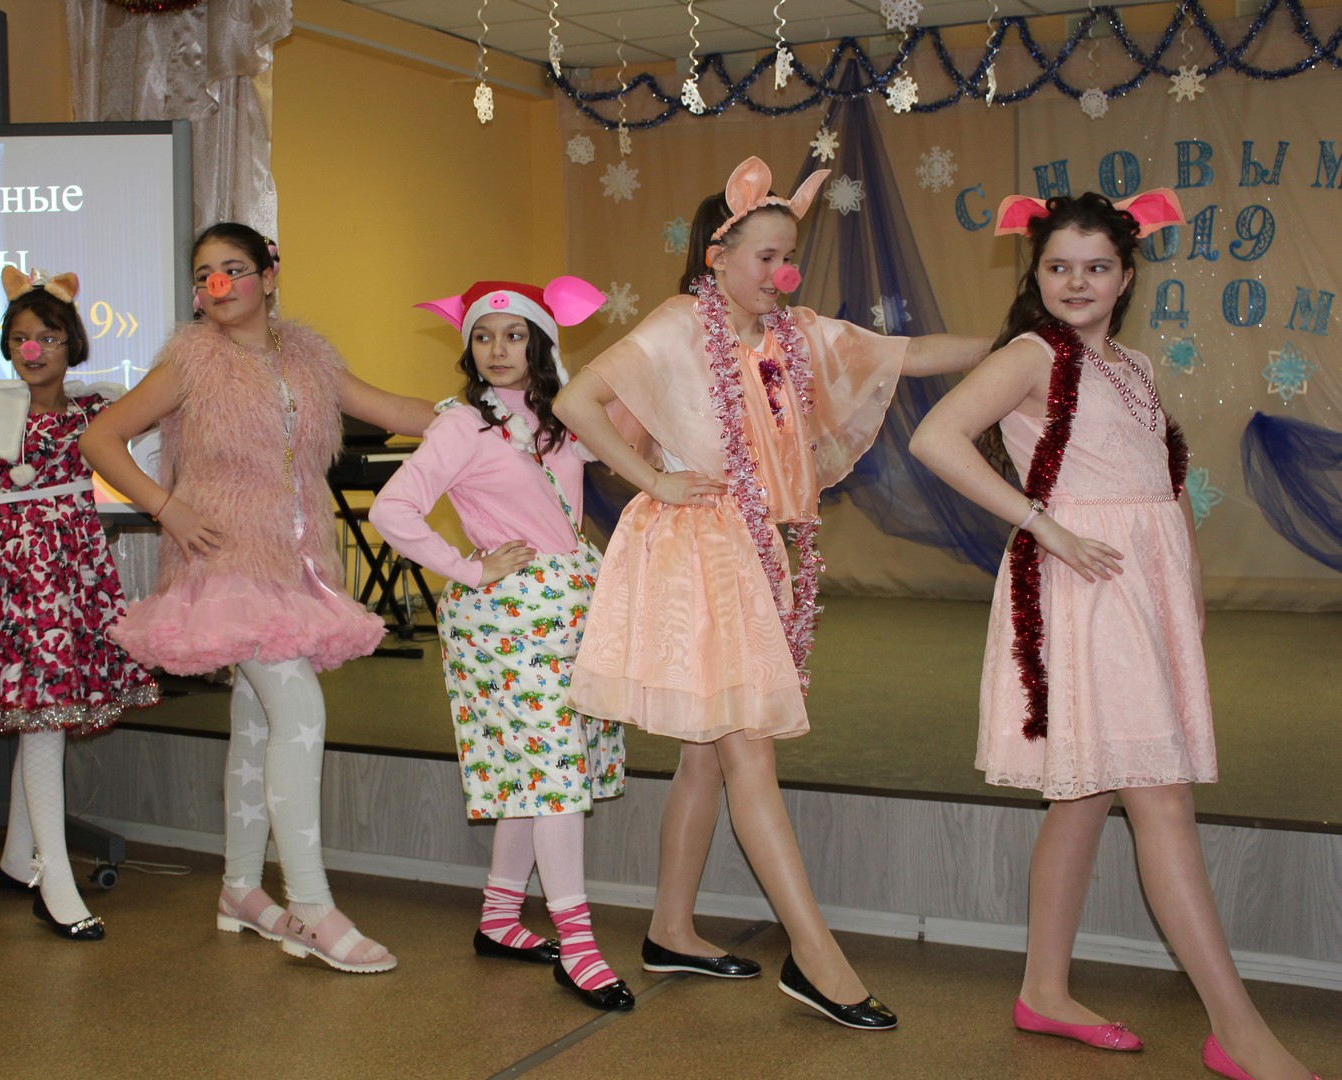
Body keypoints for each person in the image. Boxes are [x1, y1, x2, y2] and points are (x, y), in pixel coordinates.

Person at [552, 156, 988, 1029]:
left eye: (790, 258)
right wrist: (654, 477)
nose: (783, 274)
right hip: (700, 548)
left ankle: (669, 929)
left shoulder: (795, 335)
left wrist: (1019, 342)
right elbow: (577, 401)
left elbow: (906, 354)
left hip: (754, 551)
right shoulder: (681, 325)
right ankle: (816, 959)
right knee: (748, 747)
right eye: (766, 258)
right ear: (718, 257)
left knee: (707, 751)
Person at [909, 191, 1319, 1080]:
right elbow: (936, 438)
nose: (1076, 282)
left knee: (1085, 796)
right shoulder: (1028, 354)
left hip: (1143, 593)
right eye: (1058, 266)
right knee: (1160, 800)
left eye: (1096, 267)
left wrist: (1189, 593)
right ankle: (1237, 1028)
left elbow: (1160, 487)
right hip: (1085, 591)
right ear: (1036, 273)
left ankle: (1043, 991)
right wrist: (1042, 524)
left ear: (1126, 277)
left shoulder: (1133, 364)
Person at [78, 222, 435, 974]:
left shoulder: (308, 359)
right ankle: (310, 905)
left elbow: (394, 410)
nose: (219, 284)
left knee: (256, 720)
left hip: (290, 564)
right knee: (299, 712)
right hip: (223, 561)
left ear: (268, 277)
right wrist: (166, 508)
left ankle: (240, 888)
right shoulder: (189, 361)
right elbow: (101, 438)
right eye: (204, 273)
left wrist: (484, 418)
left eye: (234, 268)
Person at [368, 277, 632, 1010]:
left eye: (514, 335)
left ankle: (498, 917)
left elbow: (622, 440)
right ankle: (577, 946)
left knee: (536, 770)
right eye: (483, 336)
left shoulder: (557, 415)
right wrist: (467, 568)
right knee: (553, 775)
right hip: (508, 619)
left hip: (569, 605)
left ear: (540, 342)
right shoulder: (460, 425)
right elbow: (392, 509)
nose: (497, 349)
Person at [0, 265, 160, 942]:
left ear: (71, 343)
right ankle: (55, 885)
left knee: (40, 716)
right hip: (7, 584)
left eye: (47, 337)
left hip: (72, 583)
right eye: (21, 338)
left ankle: (19, 860)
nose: (33, 349)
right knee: (42, 718)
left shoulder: (95, 412)